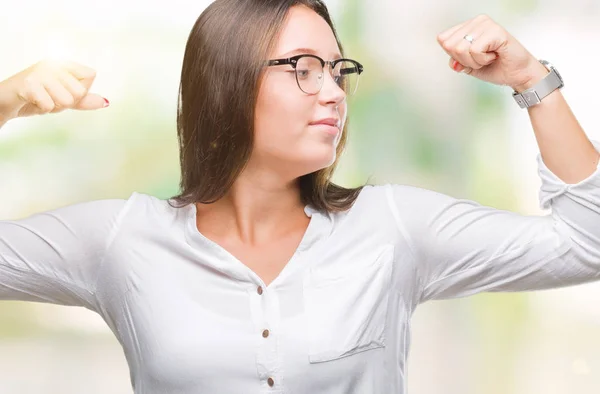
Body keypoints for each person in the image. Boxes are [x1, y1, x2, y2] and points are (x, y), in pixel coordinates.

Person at [0, 0, 599, 393]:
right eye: (305, 68)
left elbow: (586, 246)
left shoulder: (393, 227)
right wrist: (5, 101)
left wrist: (530, 80)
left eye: (340, 71)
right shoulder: (122, 242)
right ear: (226, 82)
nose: (334, 92)